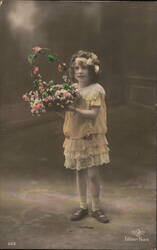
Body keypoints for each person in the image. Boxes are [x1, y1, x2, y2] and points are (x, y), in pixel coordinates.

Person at [63, 50, 110, 223]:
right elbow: (69, 116)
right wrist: (56, 107)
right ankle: (83, 206)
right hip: (75, 135)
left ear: (92, 70)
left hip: (91, 134)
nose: (79, 72)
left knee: (92, 174)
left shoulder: (96, 89)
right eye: (76, 68)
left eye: (83, 68)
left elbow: (93, 114)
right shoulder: (71, 89)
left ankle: (96, 208)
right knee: (79, 172)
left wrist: (74, 109)